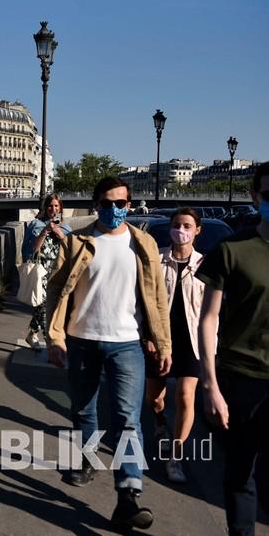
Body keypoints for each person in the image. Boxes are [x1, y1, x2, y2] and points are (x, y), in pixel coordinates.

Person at [46, 176, 172, 532]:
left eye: (120, 204)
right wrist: (54, 338)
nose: (114, 209)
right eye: (106, 203)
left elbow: (157, 299)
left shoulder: (143, 243)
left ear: (129, 205)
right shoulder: (78, 242)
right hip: (81, 339)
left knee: (127, 418)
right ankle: (87, 460)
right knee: (83, 409)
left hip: (127, 343)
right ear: (95, 204)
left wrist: (163, 344)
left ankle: (128, 496)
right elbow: (56, 290)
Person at [196, 162, 269, 536]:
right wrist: (210, 385)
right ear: (255, 196)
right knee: (241, 473)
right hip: (242, 377)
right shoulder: (232, 250)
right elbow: (208, 319)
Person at [144, 207, 211, 484]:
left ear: (197, 230)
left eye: (186, 225)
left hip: (192, 342)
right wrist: (147, 336)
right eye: (176, 224)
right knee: (155, 398)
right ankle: (160, 424)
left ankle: (176, 457)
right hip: (160, 339)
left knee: (185, 396)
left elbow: (213, 310)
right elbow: (143, 300)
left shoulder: (206, 264)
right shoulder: (156, 259)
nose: (180, 230)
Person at [21, 194, 71, 349]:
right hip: (40, 271)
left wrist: (61, 235)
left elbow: (70, 250)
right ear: (45, 208)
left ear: (60, 208)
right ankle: (51, 344)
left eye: (56, 206)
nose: (53, 209)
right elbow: (31, 250)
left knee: (50, 306)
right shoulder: (36, 224)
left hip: (57, 271)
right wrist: (45, 231)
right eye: (50, 206)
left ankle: (32, 334)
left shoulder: (65, 227)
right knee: (43, 306)